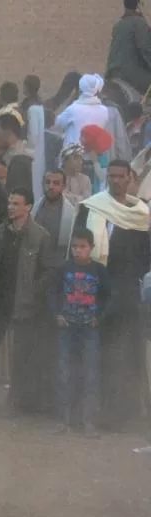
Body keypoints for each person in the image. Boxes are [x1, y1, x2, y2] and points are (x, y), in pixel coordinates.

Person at [74, 159, 150, 430]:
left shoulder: (141, 215)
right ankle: (94, 413)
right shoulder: (92, 207)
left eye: (121, 176)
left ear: (131, 178)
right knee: (96, 353)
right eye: (111, 176)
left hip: (127, 293)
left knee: (127, 353)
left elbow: (146, 257)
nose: (116, 181)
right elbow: (78, 245)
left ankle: (126, 414)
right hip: (94, 290)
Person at [0, 188, 57, 415]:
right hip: (3, 301)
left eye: (16, 203)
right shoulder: (2, 232)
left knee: (23, 354)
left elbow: (48, 271)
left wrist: (33, 293)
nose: (11, 207)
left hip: (25, 305)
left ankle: (23, 402)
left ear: (28, 207)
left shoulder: (40, 236)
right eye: (10, 202)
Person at [50, 229, 109, 433]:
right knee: (64, 373)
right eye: (74, 246)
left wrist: (99, 318)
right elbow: (52, 292)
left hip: (89, 330)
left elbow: (109, 297)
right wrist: (57, 313)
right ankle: (62, 421)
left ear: (92, 248)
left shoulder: (99, 271)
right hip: (67, 328)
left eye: (83, 246)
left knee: (90, 374)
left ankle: (88, 422)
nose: (78, 250)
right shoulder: (62, 269)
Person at [107, 0, 151, 102]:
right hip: (130, 74)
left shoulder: (118, 24)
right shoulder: (139, 23)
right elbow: (144, 48)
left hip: (112, 71)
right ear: (137, 6)